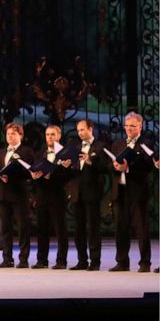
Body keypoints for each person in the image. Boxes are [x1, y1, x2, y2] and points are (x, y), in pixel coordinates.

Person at [109, 111, 154, 272]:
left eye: (132, 126)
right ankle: (122, 261)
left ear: (140, 127)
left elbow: (148, 167)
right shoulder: (118, 143)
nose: (128, 129)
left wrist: (129, 168)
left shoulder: (145, 144)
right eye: (127, 126)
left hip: (137, 191)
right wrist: (116, 167)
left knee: (141, 228)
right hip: (120, 190)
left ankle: (145, 262)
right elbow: (110, 166)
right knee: (120, 227)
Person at [0, 122, 34, 268]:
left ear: (20, 135)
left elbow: (29, 172)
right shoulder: (2, 152)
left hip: (19, 194)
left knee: (22, 228)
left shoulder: (26, 151)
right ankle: (7, 259)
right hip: (4, 194)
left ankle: (23, 259)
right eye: (8, 133)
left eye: (13, 134)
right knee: (5, 228)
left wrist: (12, 175)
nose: (10, 136)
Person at [67, 118, 107, 271]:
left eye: (82, 129)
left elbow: (105, 168)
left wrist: (91, 161)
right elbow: (74, 171)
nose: (80, 133)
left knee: (93, 227)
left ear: (91, 129)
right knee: (79, 228)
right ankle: (82, 260)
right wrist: (68, 166)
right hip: (78, 193)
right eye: (78, 130)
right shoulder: (76, 147)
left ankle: (95, 261)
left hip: (92, 192)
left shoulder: (100, 146)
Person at [31, 125, 72, 269]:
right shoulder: (40, 153)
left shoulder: (66, 153)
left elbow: (68, 176)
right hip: (42, 195)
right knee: (41, 229)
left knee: (60, 229)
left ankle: (61, 261)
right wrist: (35, 176)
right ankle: (41, 260)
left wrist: (50, 174)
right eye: (47, 134)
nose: (50, 137)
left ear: (59, 136)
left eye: (53, 134)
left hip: (57, 194)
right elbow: (35, 172)